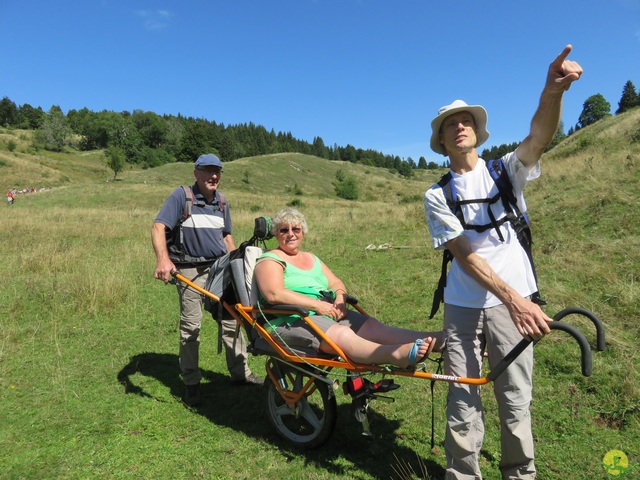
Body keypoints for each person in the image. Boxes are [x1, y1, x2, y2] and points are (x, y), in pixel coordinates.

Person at [423, 45, 583, 479]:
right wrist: (516, 300)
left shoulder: (505, 171)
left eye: (466, 121)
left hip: (514, 304)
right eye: (450, 125)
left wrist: (553, 91)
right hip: (464, 308)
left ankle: (520, 474)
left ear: (477, 132)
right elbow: (465, 256)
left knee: (515, 398)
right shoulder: (437, 195)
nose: (459, 127)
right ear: (441, 141)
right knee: (462, 398)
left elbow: (538, 137)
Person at [254, 208, 442, 368]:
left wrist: (340, 299)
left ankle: (436, 340)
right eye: (283, 230)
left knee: (373, 327)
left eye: (296, 229)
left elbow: (336, 283)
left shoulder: (311, 258)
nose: (290, 234)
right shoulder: (271, 259)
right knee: (342, 334)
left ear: (303, 232)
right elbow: (274, 293)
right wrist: (317, 306)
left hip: (325, 311)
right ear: (275, 234)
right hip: (290, 319)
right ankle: (395, 355)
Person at [152, 153, 263, 407]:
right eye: (208, 171)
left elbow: (226, 237)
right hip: (189, 271)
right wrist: (163, 260)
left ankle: (241, 374)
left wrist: (238, 264)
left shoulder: (222, 202)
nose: (214, 176)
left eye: (217, 172)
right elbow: (158, 227)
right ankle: (191, 383)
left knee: (233, 320)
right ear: (196, 173)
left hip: (219, 269)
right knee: (191, 327)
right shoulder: (182, 196)